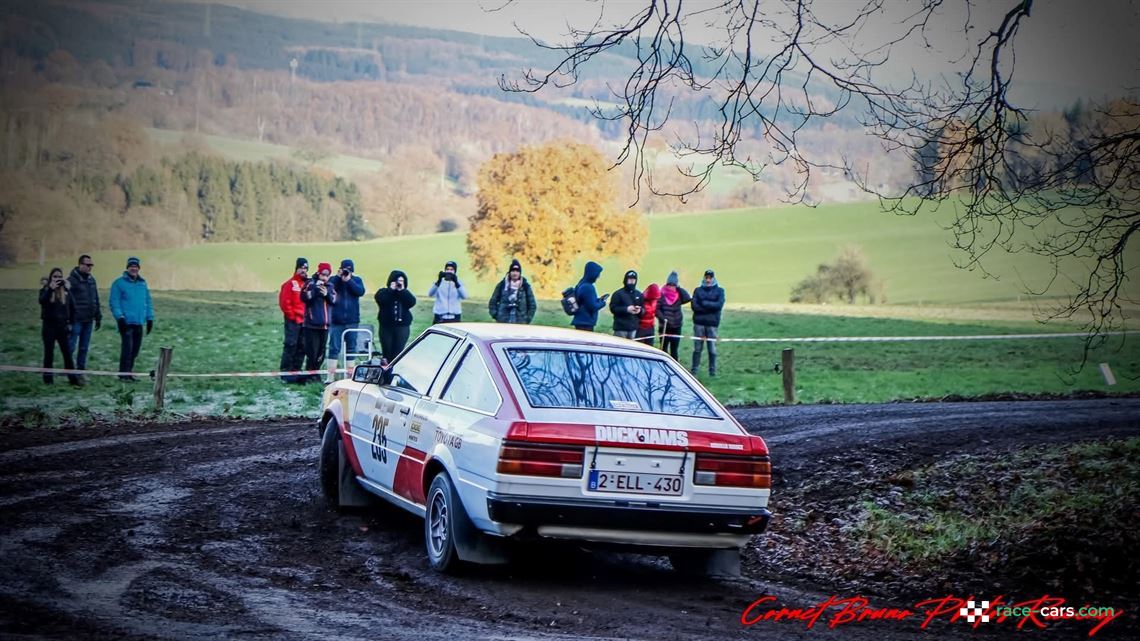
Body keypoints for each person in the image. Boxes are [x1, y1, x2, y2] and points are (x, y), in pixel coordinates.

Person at [108, 256, 154, 382]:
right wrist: (120, 317)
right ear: (127, 268)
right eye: (131, 266)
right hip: (126, 322)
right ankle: (123, 374)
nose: (134, 268)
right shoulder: (118, 283)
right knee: (127, 349)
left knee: (135, 350)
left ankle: (129, 373)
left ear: (138, 268)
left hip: (139, 322)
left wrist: (150, 318)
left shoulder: (142, 283)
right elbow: (114, 302)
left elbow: (147, 301)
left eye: (136, 266)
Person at [39, 268, 81, 386]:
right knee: (49, 354)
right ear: (51, 278)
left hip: (62, 327)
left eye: (59, 277)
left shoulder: (66, 292)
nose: (57, 279)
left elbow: (73, 307)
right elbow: (42, 301)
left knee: (67, 354)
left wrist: (71, 323)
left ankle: (73, 379)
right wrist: (50, 289)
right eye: (55, 277)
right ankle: (48, 380)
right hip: (49, 327)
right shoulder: (45, 290)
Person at [328, 258, 366, 377]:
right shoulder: (335, 280)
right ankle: (330, 376)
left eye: (348, 270)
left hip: (352, 321)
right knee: (334, 347)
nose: (346, 272)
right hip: (337, 321)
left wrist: (349, 281)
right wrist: (339, 278)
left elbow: (360, 291)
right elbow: (330, 287)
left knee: (351, 348)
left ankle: (350, 376)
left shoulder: (357, 280)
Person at [301, 263, 337, 383]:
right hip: (311, 325)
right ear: (319, 273)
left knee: (321, 353)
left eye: (327, 275)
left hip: (325, 326)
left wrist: (326, 295)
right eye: (323, 274)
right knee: (312, 352)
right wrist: (315, 290)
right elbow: (304, 297)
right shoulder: (310, 284)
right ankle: (310, 375)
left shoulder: (330, 286)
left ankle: (316, 374)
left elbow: (334, 300)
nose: (325, 277)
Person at [66, 254, 101, 377]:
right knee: (71, 346)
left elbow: (95, 298)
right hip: (76, 319)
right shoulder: (71, 281)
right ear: (80, 265)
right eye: (87, 265)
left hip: (89, 319)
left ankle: (81, 370)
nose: (90, 267)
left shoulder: (92, 280)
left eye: (91, 265)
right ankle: (68, 369)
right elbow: (67, 302)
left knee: (84, 348)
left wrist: (98, 315)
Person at [278, 257, 309, 383]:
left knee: (302, 346)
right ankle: (286, 372)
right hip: (293, 320)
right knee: (291, 345)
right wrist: (292, 316)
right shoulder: (290, 284)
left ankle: (296, 370)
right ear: (296, 268)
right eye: (301, 267)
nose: (303, 270)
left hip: (305, 321)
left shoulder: (306, 284)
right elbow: (285, 303)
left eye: (306, 268)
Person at [690, 269, 725, 376]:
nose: (708, 280)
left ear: (713, 278)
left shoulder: (720, 291)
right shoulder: (698, 290)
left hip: (712, 324)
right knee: (697, 348)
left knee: (712, 348)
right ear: (704, 278)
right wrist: (710, 307)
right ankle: (694, 369)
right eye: (707, 277)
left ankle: (712, 371)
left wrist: (704, 303)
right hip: (699, 323)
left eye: (710, 278)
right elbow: (694, 306)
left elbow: (718, 305)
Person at [375, 270, 416, 361]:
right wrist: (391, 290)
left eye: (401, 281)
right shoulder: (383, 292)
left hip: (402, 327)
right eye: (397, 281)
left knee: (398, 353)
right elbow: (381, 300)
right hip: (386, 327)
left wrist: (402, 291)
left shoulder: (405, 293)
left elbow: (411, 302)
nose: (399, 283)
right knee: (387, 352)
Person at [656, 271, 692, 360]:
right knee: (663, 349)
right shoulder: (661, 294)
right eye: (670, 285)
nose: (671, 287)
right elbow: (657, 309)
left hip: (676, 326)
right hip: (665, 326)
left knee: (674, 350)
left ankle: (674, 365)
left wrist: (679, 288)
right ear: (667, 284)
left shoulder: (679, 295)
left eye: (674, 285)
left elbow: (687, 298)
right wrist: (663, 318)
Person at [488, 259, 536, 324]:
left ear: (520, 273)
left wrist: (527, 319)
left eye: (517, 271)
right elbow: (492, 302)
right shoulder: (501, 285)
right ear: (510, 272)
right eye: (513, 271)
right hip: (503, 322)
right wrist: (496, 315)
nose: (515, 273)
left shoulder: (526, 286)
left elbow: (532, 305)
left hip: (520, 323)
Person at [571, 261, 609, 331]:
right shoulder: (588, 287)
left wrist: (598, 300)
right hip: (585, 322)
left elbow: (587, 301)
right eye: (598, 274)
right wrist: (603, 303)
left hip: (580, 320)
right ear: (593, 274)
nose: (598, 276)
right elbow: (593, 307)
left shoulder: (581, 283)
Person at [609, 269, 644, 339]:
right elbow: (613, 308)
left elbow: (643, 309)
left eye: (633, 280)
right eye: (630, 279)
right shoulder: (618, 294)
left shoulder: (639, 294)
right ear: (626, 280)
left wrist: (640, 311)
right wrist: (626, 309)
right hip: (621, 328)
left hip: (634, 328)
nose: (632, 281)